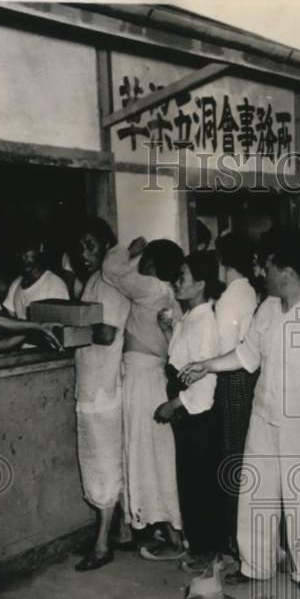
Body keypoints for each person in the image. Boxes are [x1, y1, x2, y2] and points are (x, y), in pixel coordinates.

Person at [179, 226, 300, 594]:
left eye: (267, 266)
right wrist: (206, 365)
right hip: (263, 414)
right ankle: (257, 564)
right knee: (256, 491)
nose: (262, 273)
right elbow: (246, 356)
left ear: (287, 271)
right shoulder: (266, 308)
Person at [102, 236, 187, 560]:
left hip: (141, 379)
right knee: (158, 455)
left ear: (150, 264)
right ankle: (172, 530)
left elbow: (112, 270)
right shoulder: (171, 296)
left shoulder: (151, 288)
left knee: (145, 456)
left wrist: (129, 249)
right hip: (154, 378)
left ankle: (172, 537)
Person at [71, 217, 133, 572]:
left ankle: (101, 543)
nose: (84, 253)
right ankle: (121, 531)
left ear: (107, 246)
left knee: (103, 466)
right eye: (80, 247)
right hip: (93, 385)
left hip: (103, 388)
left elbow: (107, 334)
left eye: (90, 245)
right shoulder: (95, 281)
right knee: (104, 462)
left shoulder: (109, 283)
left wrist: (69, 326)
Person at [156, 251, 225, 569]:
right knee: (190, 481)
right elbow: (182, 361)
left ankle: (207, 552)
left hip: (199, 415)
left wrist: (174, 404)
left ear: (200, 284)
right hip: (188, 413)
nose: (176, 282)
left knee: (200, 485)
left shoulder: (205, 322)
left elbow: (205, 384)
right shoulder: (190, 317)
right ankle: (200, 546)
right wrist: (169, 331)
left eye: (182, 277)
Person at [212, 232, 260, 557]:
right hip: (248, 377)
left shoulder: (230, 296)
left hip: (233, 380)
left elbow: (223, 349)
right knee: (243, 462)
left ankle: (235, 542)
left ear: (223, 260)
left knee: (233, 460)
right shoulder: (249, 290)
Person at [3, 234, 70, 319]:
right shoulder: (16, 284)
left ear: (40, 247)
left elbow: (59, 326)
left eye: (28, 249)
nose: (23, 257)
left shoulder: (54, 285)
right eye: (19, 251)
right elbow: (8, 321)